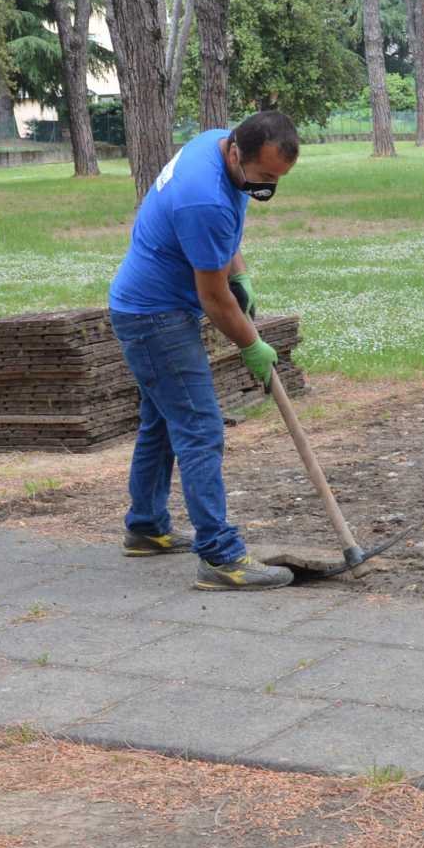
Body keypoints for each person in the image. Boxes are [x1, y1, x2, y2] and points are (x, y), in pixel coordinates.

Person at [106, 110, 301, 590]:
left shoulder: (219, 145)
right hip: (154, 317)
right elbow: (214, 301)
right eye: (266, 176)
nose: (270, 186)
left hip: (146, 305)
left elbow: (225, 232)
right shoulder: (203, 197)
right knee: (199, 427)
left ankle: (146, 527)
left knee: (162, 423)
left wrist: (239, 272)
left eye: (280, 178)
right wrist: (252, 346)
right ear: (238, 153)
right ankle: (219, 556)